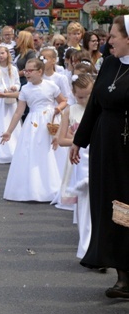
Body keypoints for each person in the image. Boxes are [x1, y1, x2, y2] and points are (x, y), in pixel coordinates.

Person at [70, 16, 129, 298]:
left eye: (114, 36)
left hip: (127, 147)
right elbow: (93, 105)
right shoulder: (109, 64)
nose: (109, 42)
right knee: (112, 208)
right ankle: (123, 277)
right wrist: (79, 141)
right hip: (106, 146)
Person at [1, 58, 67, 201]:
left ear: (40, 71)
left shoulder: (51, 86)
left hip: (50, 120)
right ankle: (33, 188)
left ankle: (54, 186)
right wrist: (9, 131)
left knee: (51, 153)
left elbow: (63, 101)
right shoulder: (25, 89)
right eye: (25, 70)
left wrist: (58, 108)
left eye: (30, 71)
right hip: (33, 122)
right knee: (32, 153)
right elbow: (19, 112)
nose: (27, 73)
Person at [56, 73, 94, 259]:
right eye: (80, 96)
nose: (85, 100)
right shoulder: (70, 111)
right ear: (73, 93)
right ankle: (85, 246)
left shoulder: (98, 110)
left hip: (96, 160)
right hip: (79, 162)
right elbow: (61, 139)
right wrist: (80, 140)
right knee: (84, 206)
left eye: (89, 95)